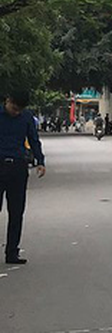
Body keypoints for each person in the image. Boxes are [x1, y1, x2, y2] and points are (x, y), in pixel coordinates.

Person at [0, 91, 46, 264]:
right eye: (14, 108)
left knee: (17, 212)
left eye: (20, 109)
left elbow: (34, 140)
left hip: (18, 168)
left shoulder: (26, 117)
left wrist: (40, 161)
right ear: (8, 100)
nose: (16, 112)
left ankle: (12, 253)